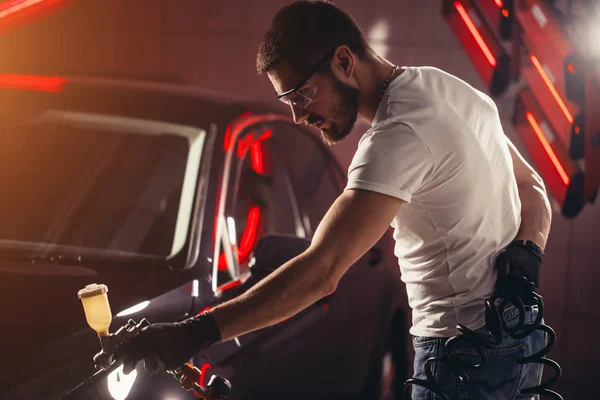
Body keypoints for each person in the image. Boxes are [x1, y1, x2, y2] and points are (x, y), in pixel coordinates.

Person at [119, 1, 551, 398]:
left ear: (344, 61)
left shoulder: (395, 136)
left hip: (463, 356)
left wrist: (193, 333)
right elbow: (533, 187)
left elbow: (321, 272)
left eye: (301, 94)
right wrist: (527, 253)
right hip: (520, 336)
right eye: (287, 100)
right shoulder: (452, 90)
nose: (298, 116)